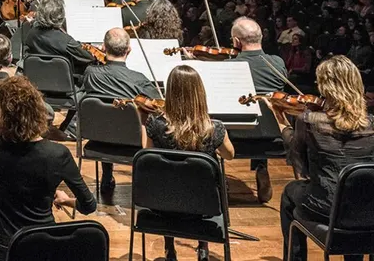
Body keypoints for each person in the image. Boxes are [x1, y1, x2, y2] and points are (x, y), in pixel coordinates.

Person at [0, 76, 97, 261]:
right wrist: (67, 200)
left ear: (3, 115)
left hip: (3, 248)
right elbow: (88, 205)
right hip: (42, 246)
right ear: (37, 111)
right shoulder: (57, 154)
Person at [279, 56, 374, 261]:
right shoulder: (372, 123)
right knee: (356, 198)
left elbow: (301, 168)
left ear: (325, 87)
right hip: (366, 211)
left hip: (325, 208)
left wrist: (283, 124)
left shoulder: (309, 120)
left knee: (289, 193)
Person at [142, 65, 235, 261]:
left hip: (162, 204)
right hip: (204, 207)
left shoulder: (156, 125)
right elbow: (230, 155)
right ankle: (203, 246)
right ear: (200, 94)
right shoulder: (214, 128)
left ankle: (169, 247)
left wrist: (142, 122)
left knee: (168, 176)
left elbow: (146, 156)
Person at [83, 27, 160, 197]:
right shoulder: (139, 79)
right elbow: (157, 105)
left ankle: (107, 174)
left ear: (103, 47)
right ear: (129, 50)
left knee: (107, 116)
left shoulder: (90, 74)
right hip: (132, 142)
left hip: (99, 137)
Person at [230, 17, 289, 203]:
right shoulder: (278, 63)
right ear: (261, 37)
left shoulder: (229, 66)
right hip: (275, 138)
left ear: (236, 41)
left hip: (237, 138)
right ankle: (261, 167)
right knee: (264, 109)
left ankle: (213, 181)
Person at [21, 0, 95, 82]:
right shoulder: (66, 42)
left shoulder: (31, 34)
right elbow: (89, 58)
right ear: (60, 16)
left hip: (38, 82)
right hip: (65, 85)